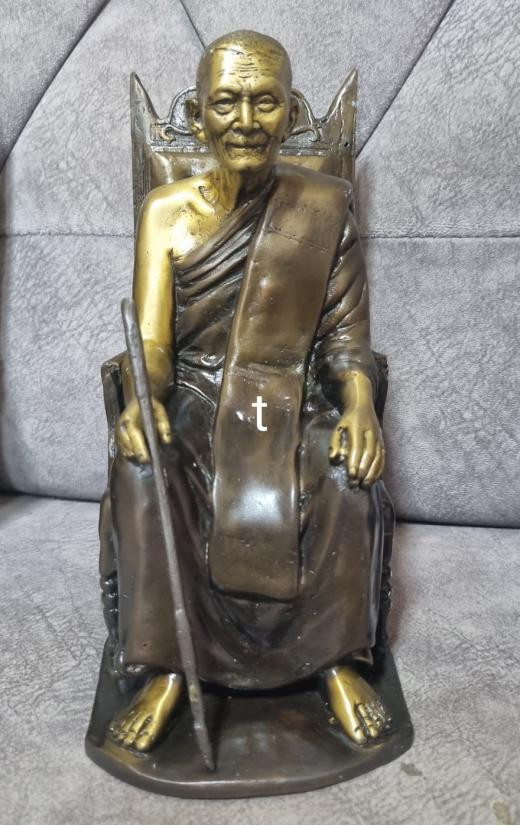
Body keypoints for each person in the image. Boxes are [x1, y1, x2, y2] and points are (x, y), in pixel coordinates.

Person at [103, 29, 391, 754]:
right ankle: (170, 667)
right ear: (199, 114)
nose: (245, 120)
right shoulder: (166, 212)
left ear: (290, 113)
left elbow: (345, 337)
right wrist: (143, 397)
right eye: (226, 102)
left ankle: (333, 661)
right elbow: (154, 345)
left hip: (291, 395)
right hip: (197, 396)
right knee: (146, 468)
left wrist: (359, 405)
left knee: (345, 473)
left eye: (265, 102)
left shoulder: (324, 207)